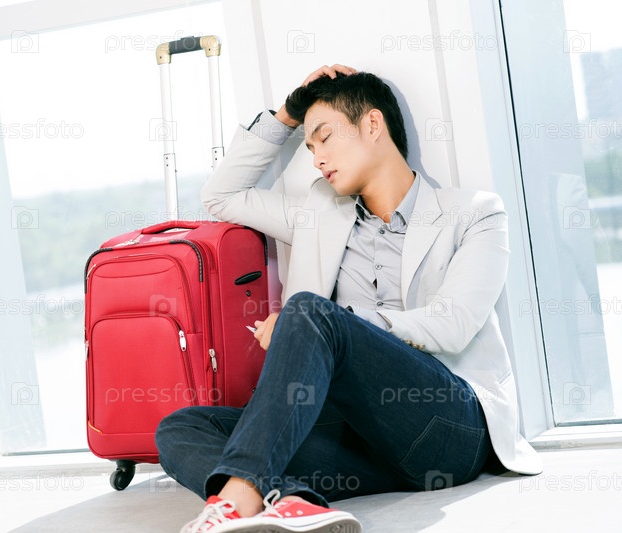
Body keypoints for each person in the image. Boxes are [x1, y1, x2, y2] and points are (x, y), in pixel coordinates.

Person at [155, 64, 542, 533]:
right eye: (309, 147)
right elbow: (221, 195)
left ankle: (239, 502)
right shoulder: (319, 214)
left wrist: (333, 324)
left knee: (309, 311)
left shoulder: (474, 213)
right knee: (180, 428)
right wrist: (288, 113)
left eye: (324, 138)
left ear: (372, 124)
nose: (317, 158)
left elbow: (454, 324)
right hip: (358, 443)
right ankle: (294, 503)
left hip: (444, 427)